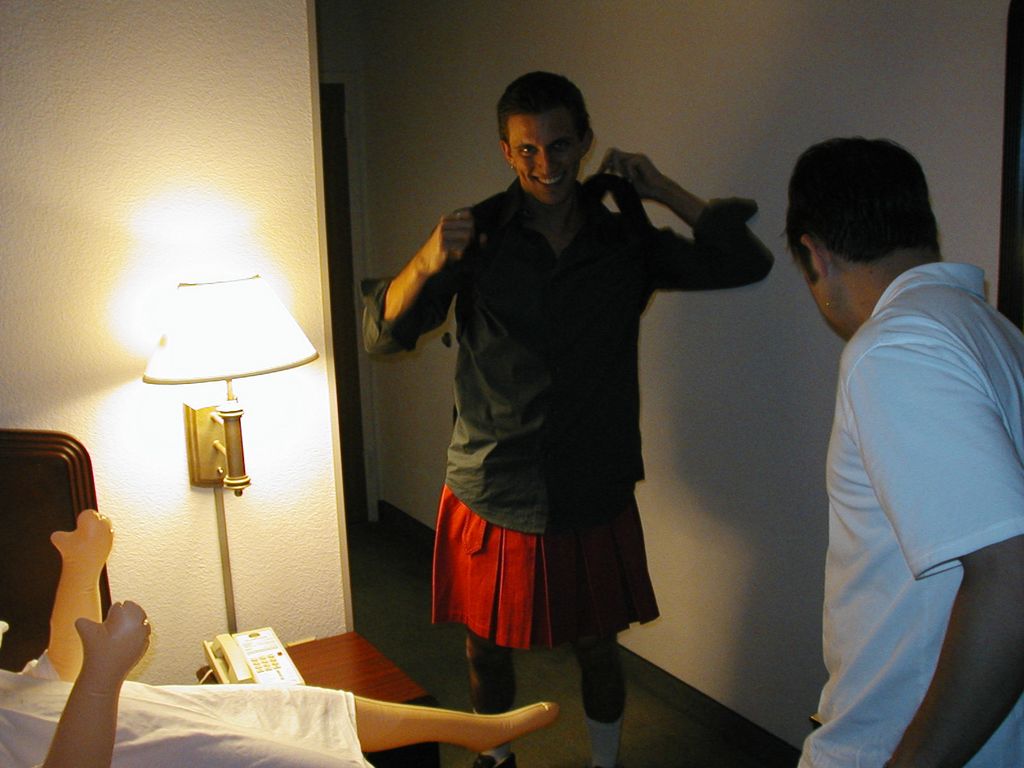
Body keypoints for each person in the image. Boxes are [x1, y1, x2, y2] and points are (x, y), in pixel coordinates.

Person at [362, 70, 773, 768]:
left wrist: (663, 189)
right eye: (526, 149)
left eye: (558, 145)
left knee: (597, 646)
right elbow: (382, 334)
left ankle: (605, 763)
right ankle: (496, 759)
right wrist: (427, 260)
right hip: (493, 478)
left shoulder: (623, 238)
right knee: (485, 646)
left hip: (592, 478)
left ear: (584, 141)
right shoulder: (478, 236)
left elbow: (743, 261)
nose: (545, 164)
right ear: (506, 151)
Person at [786, 137, 1024, 767]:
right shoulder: (994, 332)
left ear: (815, 253)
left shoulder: (894, 348)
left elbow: (1011, 576)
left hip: (896, 740)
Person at [0, 510, 559, 768]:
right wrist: (103, 678)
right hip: (152, 750)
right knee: (286, 752)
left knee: (303, 707)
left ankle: (477, 731)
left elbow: (58, 671)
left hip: (157, 716)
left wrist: (81, 569)